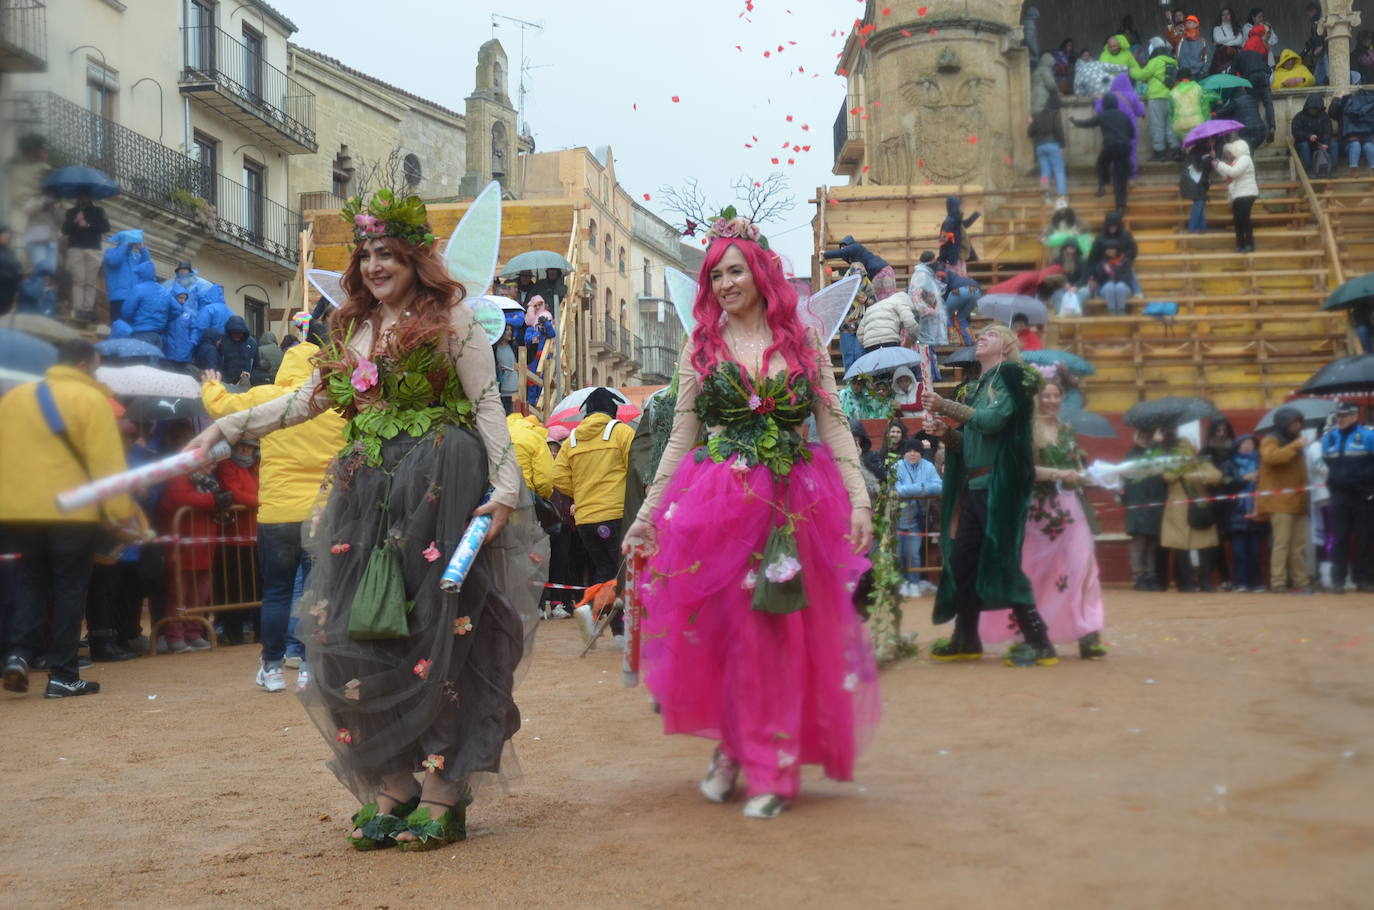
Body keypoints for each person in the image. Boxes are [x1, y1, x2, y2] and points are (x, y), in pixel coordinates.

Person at [183, 190, 544, 851]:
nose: (375, 264)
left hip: (442, 481)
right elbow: (304, 402)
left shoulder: (453, 319)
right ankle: (395, 781)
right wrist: (228, 425)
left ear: (413, 257)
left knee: (437, 634)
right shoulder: (353, 329)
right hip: (367, 489)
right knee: (353, 633)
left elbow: (488, 406)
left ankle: (441, 789)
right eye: (366, 253)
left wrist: (505, 491)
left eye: (387, 252)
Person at [621, 213, 876, 820]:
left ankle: (770, 765)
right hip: (716, 510)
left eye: (735, 270)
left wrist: (860, 497)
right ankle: (735, 747)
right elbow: (680, 438)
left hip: (793, 507)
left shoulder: (802, 339)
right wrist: (648, 515)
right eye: (715, 275)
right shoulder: (700, 345)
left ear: (761, 272)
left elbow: (832, 423)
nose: (725, 284)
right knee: (729, 636)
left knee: (775, 637)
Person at [201, 332, 345, 691]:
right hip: (324, 513)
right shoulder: (337, 404)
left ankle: (273, 668)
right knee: (316, 593)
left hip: (278, 514)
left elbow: (222, 409)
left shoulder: (269, 396)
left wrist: (210, 386)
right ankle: (311, 666)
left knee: (277, 591)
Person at [0, 339, 143, 697]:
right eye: (94, 368)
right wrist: (120, 514)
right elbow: (106, 464)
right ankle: (63, 673)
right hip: (72, 511)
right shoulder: (90, 399)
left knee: (32, 581)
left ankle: (18, 654)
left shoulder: (16, 398)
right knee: (68, 589)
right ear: (82, 366)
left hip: (21, 509)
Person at [921, 324, 1056, 666]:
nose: (981, 336)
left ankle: (1039, 642)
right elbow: (969, 442)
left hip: (1002, 487)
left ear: (1008, 346)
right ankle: (966, 638)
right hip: (978, 488)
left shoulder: (1011, 376)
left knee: (1004, 561)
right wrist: (946, 434)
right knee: (963, 562)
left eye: (992, 334)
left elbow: (994, 421)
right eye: (980, 333)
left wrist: (946, 406)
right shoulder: (978, 387)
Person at [977, 366, 1106, 659]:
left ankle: (1088, 631)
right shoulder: (1026, 431)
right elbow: (1023, 471)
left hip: (1071, 507)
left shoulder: (1067, 430)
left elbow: (1077, 467)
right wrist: (1059, 472)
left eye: (1055, 395)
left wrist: (1088, 475)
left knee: (1082, 566)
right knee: (1035, 571)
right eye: (1045, 396)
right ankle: (1027, 629)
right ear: (1036, 399)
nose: (1051, 400)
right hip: (1038, 511)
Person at [551, 388, 634, 646]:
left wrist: (580, 494)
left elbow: (557, 477)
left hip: (586, 519)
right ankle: (613, 627)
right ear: (613, 410)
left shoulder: (573, 439)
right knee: (620, 572)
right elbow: (636, 467)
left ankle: (597, 615)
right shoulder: (621, 432)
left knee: (604, 569)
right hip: (615, 514)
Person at [1160, 428, 1222, 592]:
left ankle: (1205, 581)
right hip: (1178, 512)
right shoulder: (1172, 465)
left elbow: (1217, 476)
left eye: (1187, 449)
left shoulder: (1202, 462)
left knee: (1205, 548)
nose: (1185, 452)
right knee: (1181, 549)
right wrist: (1181, 467)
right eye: (1181, 449)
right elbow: (1168, 477)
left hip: (1199, 510)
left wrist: (1199, 475)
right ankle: (1186, 582)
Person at [1321, 402, 1374, 594]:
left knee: (1365, 538)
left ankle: (1363, 579)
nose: (1340, 420)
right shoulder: (1329, 438)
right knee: (1339, 538)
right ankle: (1338, 581)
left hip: (1363, 495)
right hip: (1339, 495)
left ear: (1354, 416)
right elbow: (1328, 464)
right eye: (1338, 416)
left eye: (1344, 416)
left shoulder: (1369, 436)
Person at [1257, 406, 1311, 594]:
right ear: (1284, 423)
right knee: (1282, 543)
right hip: (1280, 501)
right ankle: (1277, 581)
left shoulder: (1296, 441)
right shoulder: (1271, 439)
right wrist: (1295, 446)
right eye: (1293, 422)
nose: (1297, 426)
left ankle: (1300, 581)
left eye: (1298, 422)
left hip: (1298, 501)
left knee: (1298, 546)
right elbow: (1271, 458)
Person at [894, 437, 941, 597]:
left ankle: (913, 582)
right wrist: (921, 488)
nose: (913, 454)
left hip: (917, 517)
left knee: (913, 553)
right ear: (904, 453)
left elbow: (938, 487)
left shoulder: (928, 466)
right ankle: (902, 582)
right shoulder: (897, 466)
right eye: (909, 451)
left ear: (921, 453)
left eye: (916, 451)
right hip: (898, 517)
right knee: (900, 553)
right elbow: (895, 490)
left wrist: (911, 489)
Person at [1072, 93, 1133, 212]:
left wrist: (1075, 122)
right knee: (1121, 178)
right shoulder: (1124, 116)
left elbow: (1088, 123)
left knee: (1101, 163)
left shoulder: (1103, 115)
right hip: (1124, 148)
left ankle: (1102, 185)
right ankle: (1120, 206)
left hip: (1110, 146)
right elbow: (1132, 133)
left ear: (1105, 104)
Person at [1221, 435, 1266, 592]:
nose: (1248, 446)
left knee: (1255, 551)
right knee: (1238, 551)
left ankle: (1256, 583)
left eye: (1251, 444)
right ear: (1238, 446)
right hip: (1236, 512)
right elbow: (1225, 483)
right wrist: (1244, 479)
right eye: (1245, 444)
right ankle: (1240, 583)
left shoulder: (1260, 464)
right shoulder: (1229, 464)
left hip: (1256, 510)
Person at [1123, 428, 1166, 591]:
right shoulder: (1132, 455)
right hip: (1138, 504)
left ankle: (1150, 575)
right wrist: (1155, 443)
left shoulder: (1158, 454)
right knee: (1139, 543)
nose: (1144, 439)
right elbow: (1144, 464)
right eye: (1141, 437)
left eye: (1147, 437)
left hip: (1154, 504)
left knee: (1152, 544)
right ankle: (1139, 576)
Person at [61, 191, 110, 323]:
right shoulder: (71, 212)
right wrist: (75, 221)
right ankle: (78, 309)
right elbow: (64, 230)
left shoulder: (99, 211)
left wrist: (87, 224)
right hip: (76, 248)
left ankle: (88, 309)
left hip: (93, 249)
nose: (83, 198)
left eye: (85, 195)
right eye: (80, 196)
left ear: (90, 197)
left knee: (91, 282)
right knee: (78, 280)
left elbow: (106, 227)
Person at [1130, 37, 1182, 162]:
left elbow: (1141, 76)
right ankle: (1175, 151)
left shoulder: (1155, 61)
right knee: (1171, 126)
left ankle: (1160, 153)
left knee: (1157, 125)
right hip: (1172, 98)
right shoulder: (1173, 62)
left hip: (1157, 97)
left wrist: (1132, 69)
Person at [1095, 71, 1146, 178]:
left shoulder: (1109, 96)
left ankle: (1117, 177)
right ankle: (1132, 177)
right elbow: (1140, 112)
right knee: (1131, 153)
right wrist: (1142, 105)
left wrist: (1098, 100)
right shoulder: (1133, 96)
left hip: (1114, 130)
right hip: (1130, 128)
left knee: (1114, 154)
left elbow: (1100, 110)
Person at [1214, 137, 1259, 253]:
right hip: (1239, 195)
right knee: (1238, 221)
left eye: (1229, 152)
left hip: (1246, 194)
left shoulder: (1244, 159)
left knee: (1244, 220)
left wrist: (1219, 164)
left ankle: (1249, 245)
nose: (1228, 155)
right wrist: (1216, 163)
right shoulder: (1237, 161)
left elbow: (1234, 173)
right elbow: (1227, 175)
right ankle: (1240, 245)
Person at [122, 261, 177, 349]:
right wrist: (165, 319)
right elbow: (177, 309)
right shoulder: (164, 291)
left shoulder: (138, 289)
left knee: (137, 362)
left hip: (140, 334)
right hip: (157, 336)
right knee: (152, 362)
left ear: (141, 275)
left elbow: (127, 312)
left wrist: (132, 322)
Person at [822, 235, 895, 300]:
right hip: (885, 270)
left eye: (844, 248)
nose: (843, 250)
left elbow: (842, 253)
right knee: (887, 300)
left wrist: (825, 255)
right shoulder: (857, 258)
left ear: (849, 244)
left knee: (884, 302)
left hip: (880, 272)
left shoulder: (855, 247)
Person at [102, 230, 151, 324]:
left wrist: (142, 248)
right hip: (119, 298)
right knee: (120, 328)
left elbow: (147, 266)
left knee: (133, 330)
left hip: (134, 299)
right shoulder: (111, 252)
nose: (131, 243)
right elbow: (114, 261)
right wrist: (124, 244)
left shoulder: (136, 257)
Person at [1029, 83, 1067, 205]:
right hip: (1053, 144)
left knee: (1045, 172)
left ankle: (1046, 196)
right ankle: (1061, 196)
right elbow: (1059, 129)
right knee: (1059, 171)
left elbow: (1030, 133)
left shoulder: (1038, 115)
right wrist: (1062, 145)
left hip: (1040, 146)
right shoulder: (1055, 113)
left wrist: (1030, 123)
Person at [506, 412, 553, 500]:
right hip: (524, 496)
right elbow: (545, 480)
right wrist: (543, 497)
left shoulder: (501, 431)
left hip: (495, 493)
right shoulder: (536, 439)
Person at [1331, 90, 1374, 175]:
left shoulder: (1367, 112)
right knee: (1355, 144)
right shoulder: (1344, 108)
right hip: (1346, 145)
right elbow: (1332, 113)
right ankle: (1353, 168)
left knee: (1369, 146)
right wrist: (1339, 98)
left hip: (1364, 143)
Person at [1292, 94, 1334, 176]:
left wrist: (1325, 143)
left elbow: (1328, 131)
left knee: (1334, 145)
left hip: (1320, 144)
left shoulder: (1324, 117)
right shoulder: (1299, 116)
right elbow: (1296, 132)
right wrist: (1308, 136)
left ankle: (1332, 170)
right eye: (1312, 108)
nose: (1313, 110)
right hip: (1303, 144)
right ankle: (1308, 171)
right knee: (1304, 145)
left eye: (1315, 109)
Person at [1090, 239, 1136, 315]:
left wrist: (1115, 274)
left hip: (1124, 287)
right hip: (1106, 288)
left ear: (1116, 249)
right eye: (1107, 249)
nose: (1109, 251)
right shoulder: (1103, 262)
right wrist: (1104, 273)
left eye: (1112, 249)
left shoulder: (1125, 261)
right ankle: (1111, 310)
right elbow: (1099, 280)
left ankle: (1121, 310)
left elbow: (1128, 277)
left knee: (1119, 286)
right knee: (1109, 286)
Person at [937, 196, 980, 275]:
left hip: (959, 257)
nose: (961, 208)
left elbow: (964, 225)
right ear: (954, 207)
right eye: (959, 206)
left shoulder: (956, 221)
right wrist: (942, 261)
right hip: (953, 259)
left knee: (961, 280)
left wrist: (975, 215)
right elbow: (942, 242)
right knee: (957, 281)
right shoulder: (949, 223)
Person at [1181, 140, 1216, 234]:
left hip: (1198, 183)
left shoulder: (1204, 151)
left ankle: (1202, 229)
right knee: (1199, 203)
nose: (1214, 143)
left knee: (1200, 204)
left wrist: (1212, 158)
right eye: (1212, 141)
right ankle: (1191, 230)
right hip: (1193, 183)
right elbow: (1199, 167)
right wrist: (1210, 158)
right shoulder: (1198, 152)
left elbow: (1208, 168)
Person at [219, 315, 264, 385]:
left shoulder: (252, 343)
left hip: (246, 384)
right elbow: (217, 364)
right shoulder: (222, 342)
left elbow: (257, 366)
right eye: (235, 333)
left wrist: (251, 377)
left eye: (239, 333)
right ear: (230, 332)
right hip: (227, 384)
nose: (237, 335)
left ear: (244, 332)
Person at [941, 269, 981, 346]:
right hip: (977, 291)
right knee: (961, 318)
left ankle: (954, 339)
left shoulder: (944, 275)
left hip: (959, 290)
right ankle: (970, 340)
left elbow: (944, 293)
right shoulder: (959, 277)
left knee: (947, 314)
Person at [494, 324, 519, 413]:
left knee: (514, 416)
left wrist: (534, 345)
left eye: (510, 329)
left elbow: (526, 360)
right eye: (507, 329)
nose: (510, 332)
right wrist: (498, 367)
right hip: (501, 390)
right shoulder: (495, 348)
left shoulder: (514, 346)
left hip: (515, 388)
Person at [1212, 8, 1245, 74]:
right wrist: (1233, 38)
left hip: (1235, 53)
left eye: (1228, 14)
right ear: (1220, 17)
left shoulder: (1237, 27)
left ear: (1231, 15)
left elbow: (1239, 41)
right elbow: (1218, 40)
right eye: (1223, 15)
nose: (1226, 16)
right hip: (1222, 55)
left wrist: (1225, 42)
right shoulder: (1217, 28)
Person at [1177, 16, 1209, 81]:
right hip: (1185, 73)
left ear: (1196, 24)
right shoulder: (1181, 39)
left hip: (1198, 73)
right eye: (1186, 23)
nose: (1187, 24)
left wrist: (1203, 70)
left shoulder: (1202, 41)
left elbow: (1206, 57)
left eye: (1189, 22)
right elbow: (1178, 56)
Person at [0, 224, 20, 314]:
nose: (8, 236)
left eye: (8, 233)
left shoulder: (10, 251)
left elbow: (17, 266)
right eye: (5, 233)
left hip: (8, 294)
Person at [1031, 50, 1058, 115]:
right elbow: (1051, 85)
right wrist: (1057, 91)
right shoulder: (1045, 70)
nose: (1053, 67)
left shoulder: (1036, 71)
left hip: (1034, 100)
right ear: (1049, 62)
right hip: (1042, 101)